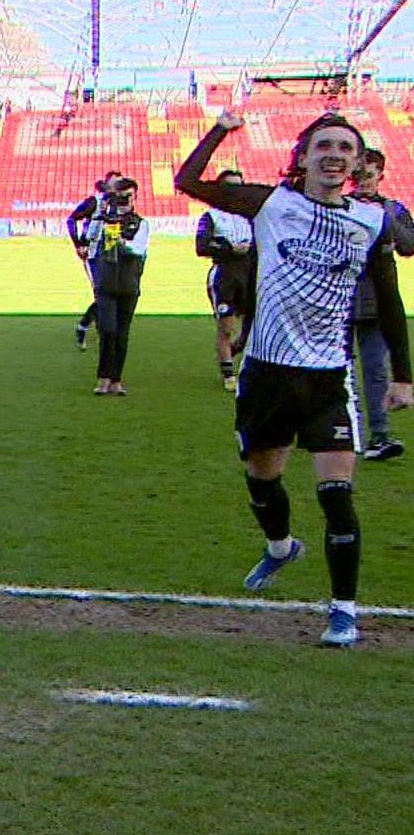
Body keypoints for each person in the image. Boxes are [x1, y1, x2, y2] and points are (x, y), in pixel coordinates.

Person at [175, 109, 413, 647]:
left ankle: (343, 611)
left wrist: (403, 375)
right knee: (262, 478)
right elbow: (187, 182)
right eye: (323, 145)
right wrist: (220, 129)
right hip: (266, 376)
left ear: (355, 163)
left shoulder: (371, 221)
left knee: (336, 495)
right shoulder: (271, 204)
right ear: (302, 157)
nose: (334, 153)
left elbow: (391, 301)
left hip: (329, 379)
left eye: (345, 148)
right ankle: (281, 547)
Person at [348, 148, 414, 459]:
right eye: (357, 175)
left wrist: (383, 216)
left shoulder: (393, 209)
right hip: (339, 301)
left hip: (377, 304)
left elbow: (409, 246)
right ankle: (340, 433)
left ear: (380, 176)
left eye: (368, 175)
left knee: (375, 370)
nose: (362, 181)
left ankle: (379, 435)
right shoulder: (339, 207)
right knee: (337, 371)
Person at [85, 178, 149, 396]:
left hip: (128, 285)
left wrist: (121, 242)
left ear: (135, 198)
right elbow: (89, 238)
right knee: (107, 330)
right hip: (106, 283)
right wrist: (100, 214)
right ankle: (103, 377)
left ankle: (116, 379)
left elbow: (138, 250)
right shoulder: (104, 220)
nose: (123, 201)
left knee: (122, 333)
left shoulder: (140, 223)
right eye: (119, 197)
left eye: (127, 197)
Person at [195, 171, 254, 390]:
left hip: (249, 274)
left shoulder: (250, 215)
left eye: (240, 186)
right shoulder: (212, 216)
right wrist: (229, 248)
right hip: (224, 275)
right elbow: (201, 246)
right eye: (231, 186)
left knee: (253, 326)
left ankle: (236, 354)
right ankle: (228, 373)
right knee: (226, 326)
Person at [68, 171, 123, 350]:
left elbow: (115, 229)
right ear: (107, 184)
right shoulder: (95, 202)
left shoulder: (118, 204)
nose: (117, 187)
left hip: (110, 254)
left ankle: (91, 328)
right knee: (102, 293)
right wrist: (78, 244)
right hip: (93, 254)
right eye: (115, 183)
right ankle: (89, 329)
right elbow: (71, 219)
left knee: (109, 293)